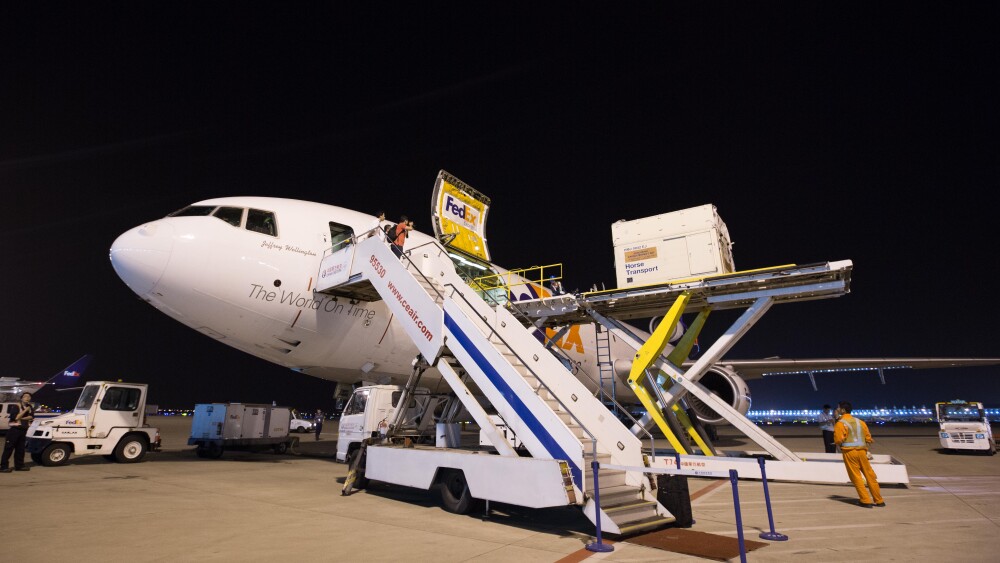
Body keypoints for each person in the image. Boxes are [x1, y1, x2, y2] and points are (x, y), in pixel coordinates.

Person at [834, 401, 885, 508]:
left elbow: (838, 440)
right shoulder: (860, 422)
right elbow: (868, 438)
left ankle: (865, 500)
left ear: (843, 410)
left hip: (849, 452)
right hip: (862, 452)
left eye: (838, 408)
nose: (837, 410)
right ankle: (879, 500)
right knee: (870, 476)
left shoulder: (840, 423)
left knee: (856, 477)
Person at [1, 392, 35, 472]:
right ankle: (3, 467)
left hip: (23, 430)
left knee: (20, 449)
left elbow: (32, 417)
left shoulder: (30, 407)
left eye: (29, 397)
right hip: (14, 430)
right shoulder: (16, 406)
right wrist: (25, 411)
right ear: (21, 398)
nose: (27, 398)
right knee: (8, 449)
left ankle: (19, 466)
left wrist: (21, 418)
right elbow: (15, 417)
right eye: (25, 396)